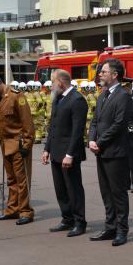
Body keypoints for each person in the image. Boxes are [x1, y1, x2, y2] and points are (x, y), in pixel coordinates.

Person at [88, 58, 133, 246]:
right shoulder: (102, 96)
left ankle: (122, 230)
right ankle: (110, 227)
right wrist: (91, 139)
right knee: (106, 192)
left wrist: (99, 142)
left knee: (118, 193)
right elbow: (94, 121)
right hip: (101, 151)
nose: (100, 74)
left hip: (115, 152)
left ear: (115, 75)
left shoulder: (123, 96)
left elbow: (119, 124)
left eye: (104, 72)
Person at [43, 69, 88, 236]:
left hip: (69, 154)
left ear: (61, 82)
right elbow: (53, 126)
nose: (51, 86)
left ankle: (79, 222)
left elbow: (77, 131)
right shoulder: (58, 98)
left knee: (73, 189)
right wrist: (47, 149)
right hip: (56, 152)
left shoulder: (77, 100)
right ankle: (67, 219)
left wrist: (69, 155)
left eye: (53, 82)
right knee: (60, 189)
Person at [0, 75, 35, 225]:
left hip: (18, 145)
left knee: (22, 180)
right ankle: (13, 209)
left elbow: (27, 122)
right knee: (11, 180)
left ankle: (25, 211)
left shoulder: (16, 96)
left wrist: (27, 144)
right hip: (6, 145)